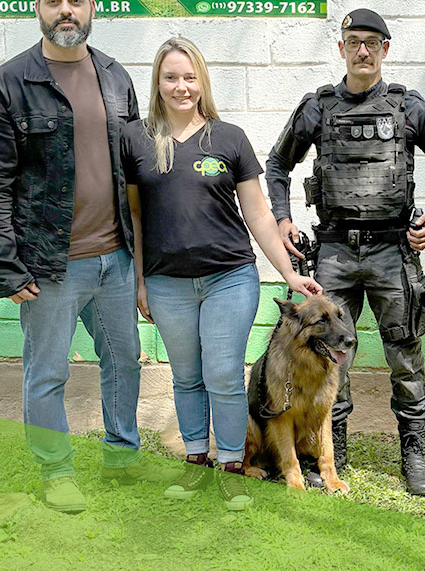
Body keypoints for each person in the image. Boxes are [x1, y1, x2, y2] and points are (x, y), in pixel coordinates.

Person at [123, 36, 324, 511]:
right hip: (166, 281)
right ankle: (197, 461)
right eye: (170, 77)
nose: (180, 86)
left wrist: (291, 274)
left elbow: (256, 214)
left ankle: (233, 465)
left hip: (229, 277)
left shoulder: (228, 137)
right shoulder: (135, 140)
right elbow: (132, 217)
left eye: (189, 77)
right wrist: (138, 282)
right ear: (157, 81)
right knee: (187, 375)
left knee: (223, 373)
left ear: (202, 82)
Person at [0, 0, 146, 514]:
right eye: (54, 1)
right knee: (46, 371)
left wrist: (143, 257)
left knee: (123, 359)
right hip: (49, 264)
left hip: (115, 257)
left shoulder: (116, 75)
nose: (66, 10)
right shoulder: (8, 83)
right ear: (38, 8)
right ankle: (56, 472)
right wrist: (7, 263)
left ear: (92, 6)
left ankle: (122, 454)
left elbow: (136, 169)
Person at [264, 8, 425, 496]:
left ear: (386, 49)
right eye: (353, 41)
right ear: (340, 47)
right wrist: (282, 219)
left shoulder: (410, 107)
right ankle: (332, 453)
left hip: (393, 249)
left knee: (404, 353)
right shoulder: (317, 107)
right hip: (334, 249)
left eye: (372, 42)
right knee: (322, 355)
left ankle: (414, 454)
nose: (362, 50)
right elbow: (276, 164)